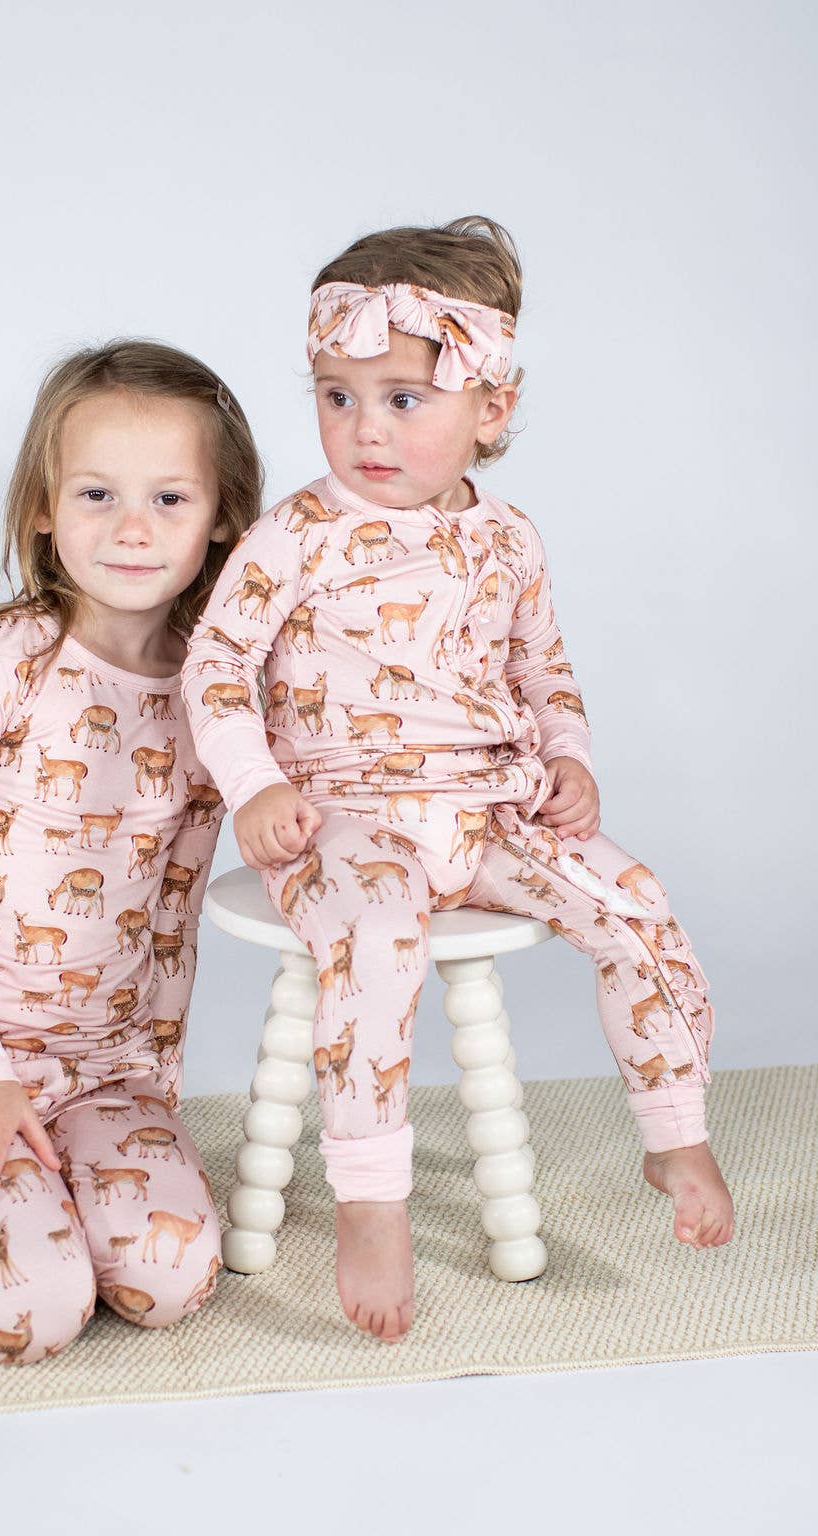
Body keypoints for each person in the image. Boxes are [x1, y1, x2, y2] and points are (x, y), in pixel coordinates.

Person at [180, 217, 734, 1344]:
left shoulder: (510, 540)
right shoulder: (296, 535)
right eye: (337, 396)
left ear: (490, 409)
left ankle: (675, 1128)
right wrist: (254, 787)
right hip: (338, 817)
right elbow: (217, 663)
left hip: (488, 809)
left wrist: (569, 759)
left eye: (403, 398)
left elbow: (543, 669)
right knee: (380, 940)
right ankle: (370, 1197)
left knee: (636, 905)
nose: (365, 428)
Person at [0, 339, 263, 1362]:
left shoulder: (214, 696)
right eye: (96, 493)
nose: (132, 527)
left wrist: (155, 1076)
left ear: (220, 516)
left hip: (109, 1071)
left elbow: (175, 899)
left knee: (170, 1283)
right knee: (33, 1315)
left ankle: (71, 1183)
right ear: (44, 506)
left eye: (169, 498)